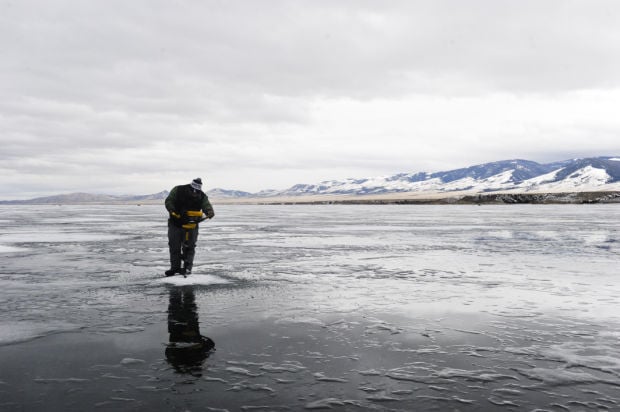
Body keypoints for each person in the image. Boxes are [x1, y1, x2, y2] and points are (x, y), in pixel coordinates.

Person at [164, 178, 215, 276]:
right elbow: (169, 200)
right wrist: (172, 210)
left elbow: (206, 204)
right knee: (174, 246)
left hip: (192, 225)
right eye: (193, 191)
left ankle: (187, 268)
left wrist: (209, 211)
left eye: (197, 191)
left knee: (190, 247)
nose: (195, 193)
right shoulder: (178, 190)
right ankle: (175, 268)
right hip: (176, 223)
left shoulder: (202, 195)